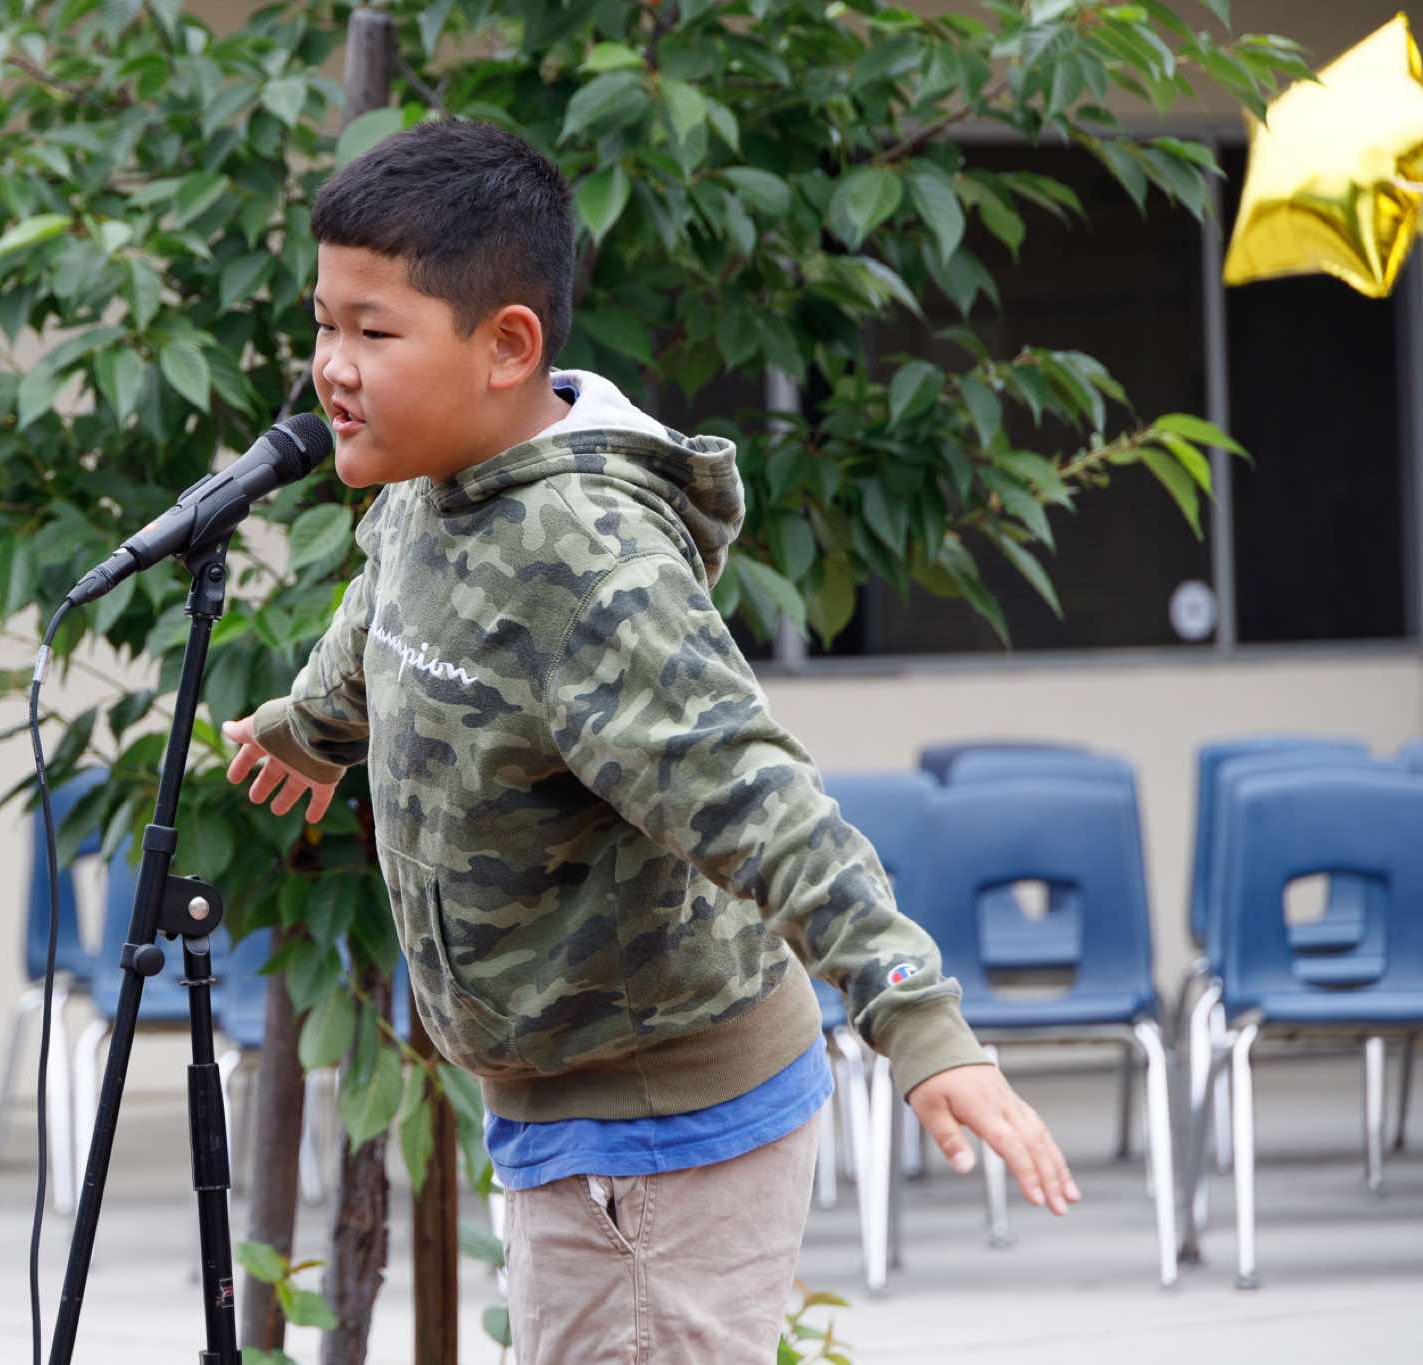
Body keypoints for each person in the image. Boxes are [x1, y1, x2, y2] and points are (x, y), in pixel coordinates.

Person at [220, 120, 1078, 1363]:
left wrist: (917, 1021)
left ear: (507, 346)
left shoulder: (587, 562)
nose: (330, 370)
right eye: (322, 325)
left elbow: (757, 794)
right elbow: (388, 616)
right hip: (570, 1112)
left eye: (372, 333)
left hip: (659, 1132)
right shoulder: (433, 485)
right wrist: (311, 727)